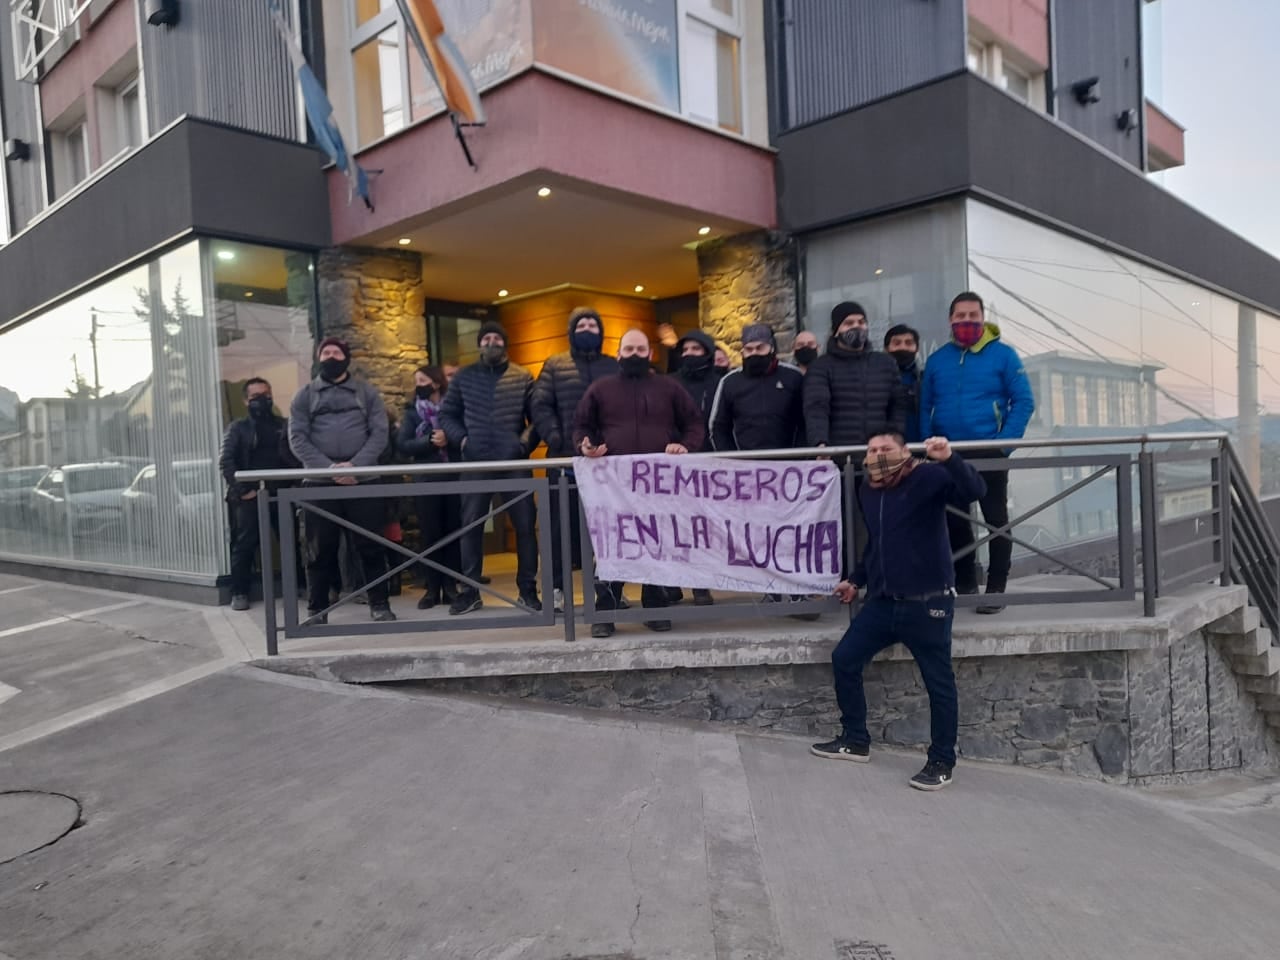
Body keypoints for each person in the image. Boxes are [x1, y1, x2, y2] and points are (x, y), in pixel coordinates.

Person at [811, 432, 985, 791]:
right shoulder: (868, 489)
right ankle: (855, 739)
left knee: (939, 684)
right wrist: (856, 580)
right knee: (845, 658)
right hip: (883, 602)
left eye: (886, 449)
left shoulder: (929, 476)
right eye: (872, 450)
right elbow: (877, 541)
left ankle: (941, 761)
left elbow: (974, 491)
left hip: (929, 603)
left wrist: (948, 457)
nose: (877, 455)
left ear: (905, 452)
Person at [574, 328, 705, 636]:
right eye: (628, 349)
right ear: (619, 354)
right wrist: (585, 446)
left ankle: (655, 607)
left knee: (655, 543)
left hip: (657, 485)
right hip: (613, 486)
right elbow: (582, 425)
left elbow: (694, 422)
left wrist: (685, 445)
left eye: (640, 349)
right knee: (612, 546)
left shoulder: (669, 387)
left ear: (650, 353)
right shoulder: (600, 388)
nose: (634, 354)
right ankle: (605, 612)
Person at [921, 292, 1035, 614]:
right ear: (950, 320)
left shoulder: (1004, 356)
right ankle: (966, 583)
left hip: (988, 449)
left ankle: (996, 588)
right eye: (960, 316)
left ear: (982, 319)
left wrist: (1004, 444)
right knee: (955, 519)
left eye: (973, 316)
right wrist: (925, 444)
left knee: (996, 519)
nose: (966, 322)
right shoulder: (937, 360)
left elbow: (1024, 401)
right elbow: (925, 406)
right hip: (946, 453)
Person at [709, 323, 815, 616]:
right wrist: (733, 463)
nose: (754, 353)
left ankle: (799, 591)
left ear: (772, 349)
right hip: (750, 476)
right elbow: (717, 427)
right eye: (748, 349)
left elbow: (806, 419)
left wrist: (801, 459)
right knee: (761, 534)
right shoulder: (730, 382)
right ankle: (771, 588)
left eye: (760, 348)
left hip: (790, 473)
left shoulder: (793, 377)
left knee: (793, 531)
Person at [288, 337, 396, 623]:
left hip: (364, 482)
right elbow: (297, 438)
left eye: (336, 352)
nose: (331, 356)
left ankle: (380, 604)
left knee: (371, 546)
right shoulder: (304, 396)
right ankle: (317, 609)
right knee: (318, 551)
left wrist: (355, 467)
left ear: (347, 358)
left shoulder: (366, 393)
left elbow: (379, 434)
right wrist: (330, 469)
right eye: (326, 352)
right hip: (319, 484)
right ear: (317, 357)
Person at [439, 321, 540, 615]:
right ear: (480, 344)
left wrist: (522, 446)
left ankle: (528, 592)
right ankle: (469, 592)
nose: (491, 342)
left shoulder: (522, 376)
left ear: (504, 343)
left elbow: (537, 419)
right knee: (470, 526)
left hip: (513, 463)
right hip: (475, 461)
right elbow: (447, 415)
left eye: (497, 337)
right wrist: (463, 441)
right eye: (486, 338)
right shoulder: (464, 377)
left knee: (524, 528)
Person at [531, 307, 619, 613]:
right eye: (581, 324)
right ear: (571, 330)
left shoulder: (613, 365)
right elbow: (540, 405)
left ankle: (608, 592)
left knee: (608, 528)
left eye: (593, 323)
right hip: (563, 461)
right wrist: (556, 438)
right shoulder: (555, 364)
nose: (587, 327)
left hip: (606, 462)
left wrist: (612, 443)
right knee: (559, 527)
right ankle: (556, 589)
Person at [220, 377, 299, 611]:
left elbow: (295, 457)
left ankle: (297, 586)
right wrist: (243, 491)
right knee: (245, 544)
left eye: (266, 395)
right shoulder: (238, 428)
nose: (262, 401)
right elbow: (227, 461)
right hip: (251, 495)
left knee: (290, 541)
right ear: (246, 400)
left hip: (281, 493)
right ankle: (239, 591)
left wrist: (294, 485)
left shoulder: (284, 425)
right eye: (255, 397)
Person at [397, 365, 461, 610]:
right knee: (431, 534)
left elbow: (464, 435)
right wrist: (429, 442)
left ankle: (451, 586)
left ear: (436, 383)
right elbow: (403, 444)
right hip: (426, 480)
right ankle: (432, 588)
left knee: (453, 532)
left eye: (423, 380)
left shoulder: (453, 408)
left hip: (453, 477)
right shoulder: (412, 413)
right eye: (416, 381)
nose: (419, 385)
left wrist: (449, 439)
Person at [669, 329, 726, 606]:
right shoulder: (670, 383)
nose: (689, 354)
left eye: (696, 349)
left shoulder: (722, 383)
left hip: (711, 464)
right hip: (676, 466)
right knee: (676, 528)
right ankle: (673, 583)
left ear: (708, 353)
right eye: (685, 349)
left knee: (705, 529)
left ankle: (702, 584)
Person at [803, 302, 906, 451]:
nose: (857, 326)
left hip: (880, 452)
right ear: (836, 330)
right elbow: (817, 408)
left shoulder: (885, 363)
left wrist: (896, 438)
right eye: (849, 323)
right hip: (839, 455)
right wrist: (820, 443)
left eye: (861, 322)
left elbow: (898, 406)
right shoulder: (821, 367)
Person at [884, 323, 925, 444]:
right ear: (887, 348)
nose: (903, 347)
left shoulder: (924, 379)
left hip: (920, 446)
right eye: (897, 343)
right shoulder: (877, 379)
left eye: (909, 343)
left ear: (917, 348)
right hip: (887, 447)